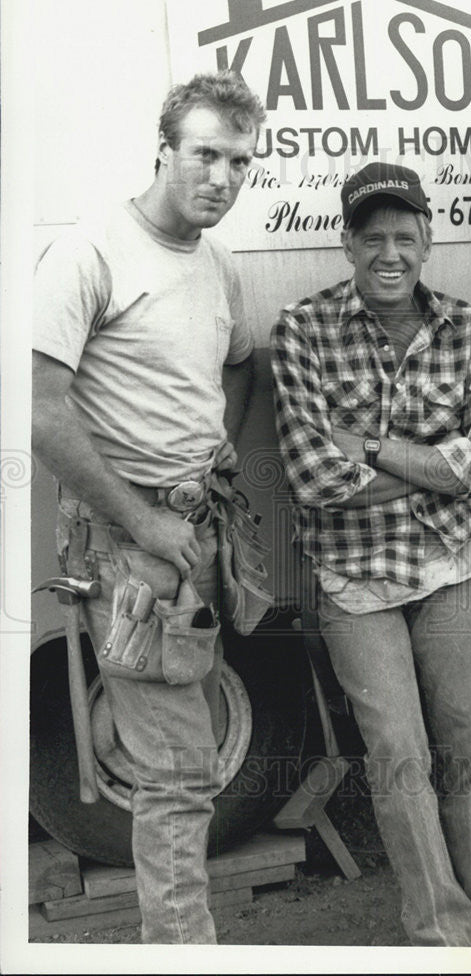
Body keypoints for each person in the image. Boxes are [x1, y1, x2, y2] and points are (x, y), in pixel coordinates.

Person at [32, 71, 265, 944]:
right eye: (205, 154)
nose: (222, 177)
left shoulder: (218, 264)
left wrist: (219, 456)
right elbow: (38, 409)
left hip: (195, 536)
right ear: (163, 150)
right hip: (129, 553)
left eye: (240, 161)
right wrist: (143, 521)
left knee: (188, 756)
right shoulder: (91, 250)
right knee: (174, 773)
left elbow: (243, 361)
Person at [271, 162, 471, 947]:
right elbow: (313, 479)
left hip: (449, 566)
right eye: (371, 237)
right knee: (399, 756)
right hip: (354, 579)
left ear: (427, 242)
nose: (389, 252)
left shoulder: (465, 326)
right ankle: (439, 935)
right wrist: (435, 470)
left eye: (404, 237)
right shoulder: (302, 328)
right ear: (346, 243)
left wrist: (372, 448)